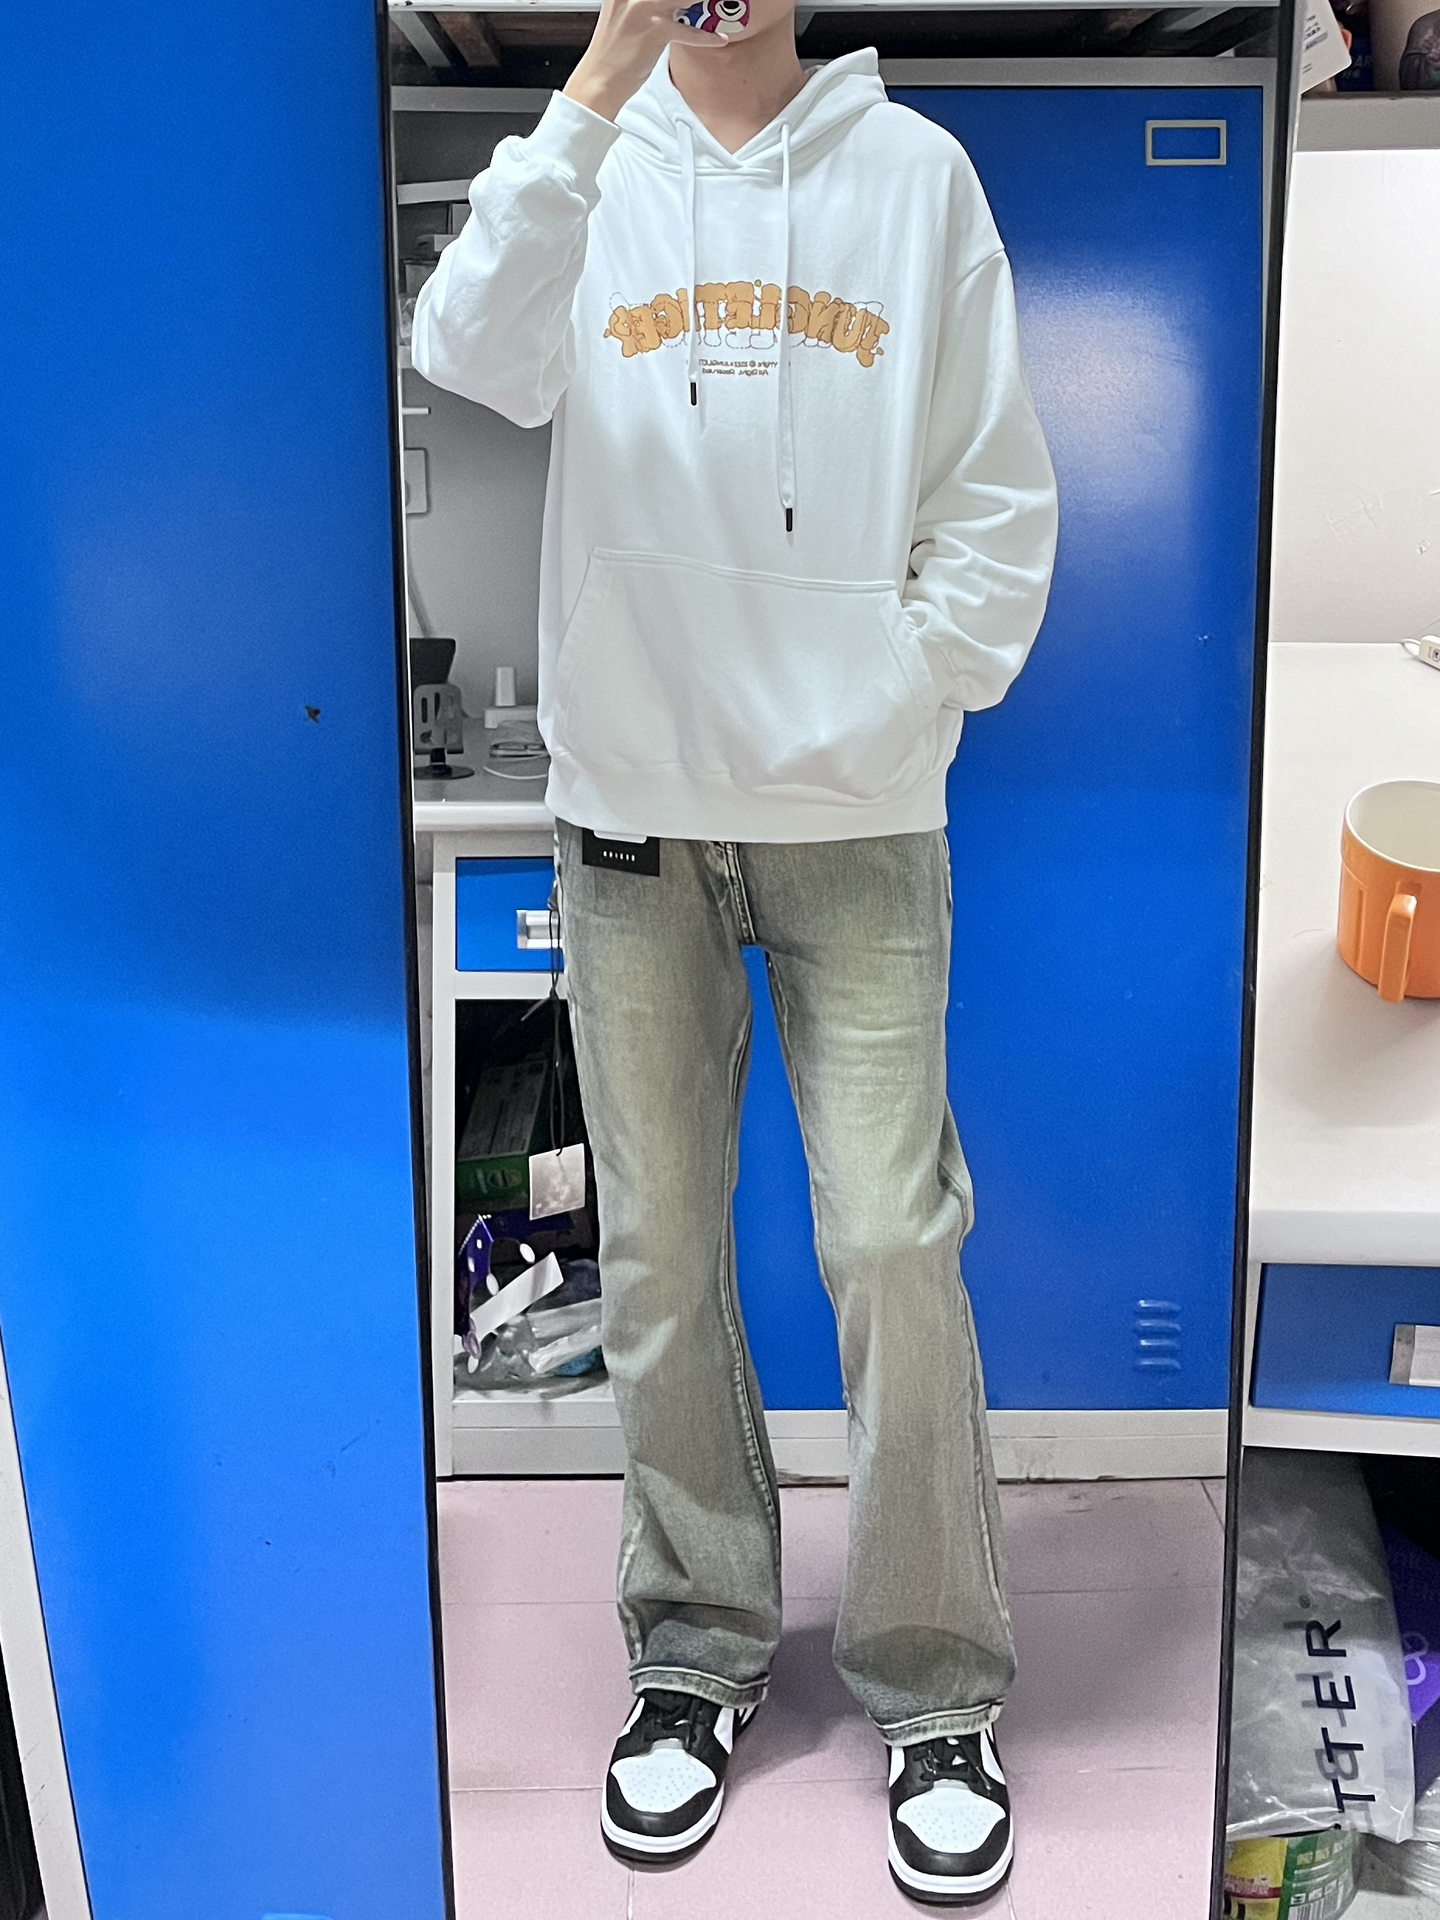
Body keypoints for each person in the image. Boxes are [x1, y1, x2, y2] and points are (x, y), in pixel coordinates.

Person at [412, 0, 1057, 1898]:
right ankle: (695, 1651)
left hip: (862, 817)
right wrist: (598, 78)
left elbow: (995, 494)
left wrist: (896, 692)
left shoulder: (916, 179)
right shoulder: (592, 168)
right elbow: (467, 352)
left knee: (892, 1239)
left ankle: (935, 1680)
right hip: (633, 808)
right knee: (661, 1252)